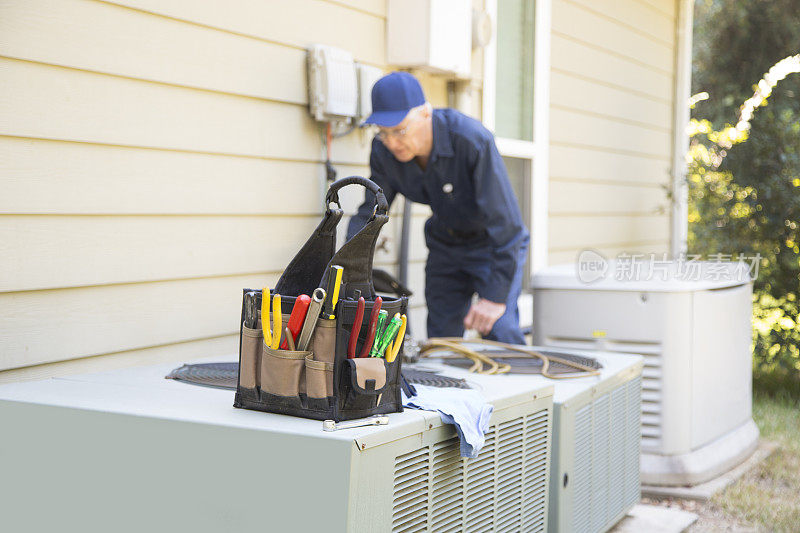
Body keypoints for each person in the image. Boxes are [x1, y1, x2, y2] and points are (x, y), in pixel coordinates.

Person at [346, 72, 529, 344]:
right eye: (383, 133)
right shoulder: (384, 151)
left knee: (500, 330)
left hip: (491, 248)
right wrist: (348, 265)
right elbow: (371, 211)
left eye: (399, 130)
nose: (392, 142)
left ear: (426, 114)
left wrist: (494, 298)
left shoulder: (471, 140)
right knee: (442, 342)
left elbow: (510, 229)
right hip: (445, 247)